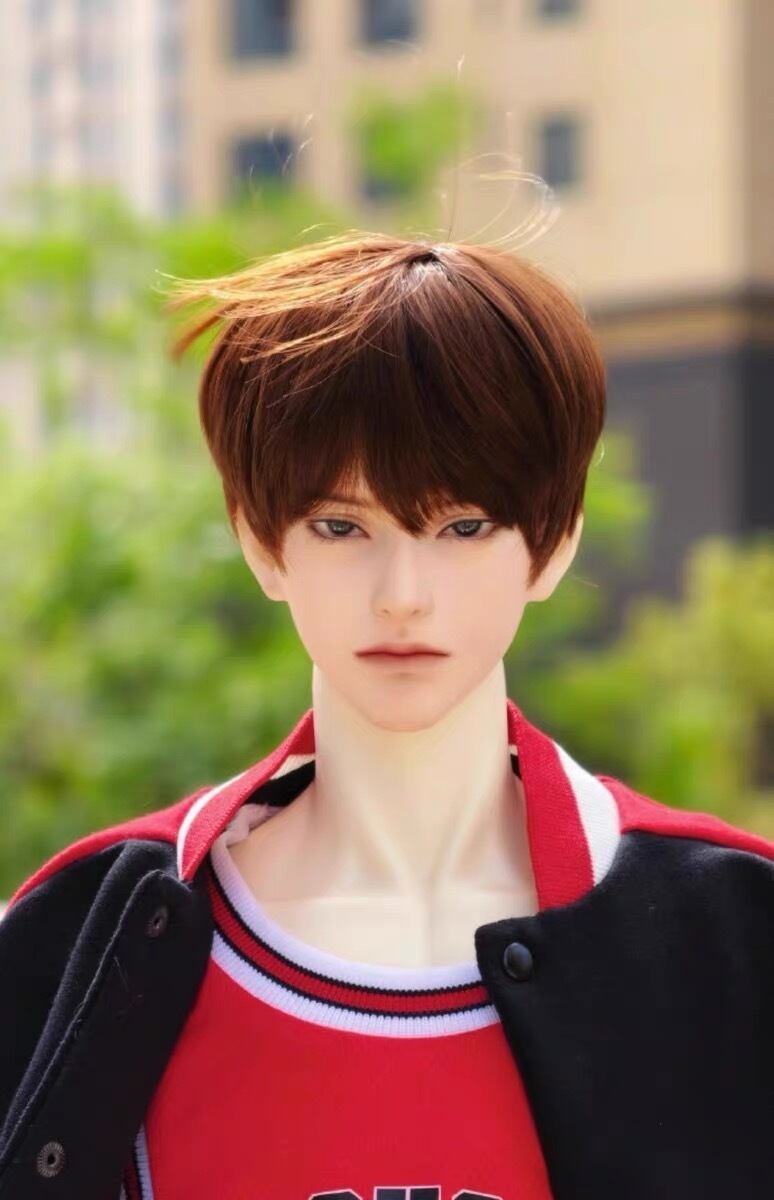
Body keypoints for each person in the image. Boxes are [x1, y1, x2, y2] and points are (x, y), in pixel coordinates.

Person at [1, 233, 772, 1200]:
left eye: (463, 526)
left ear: (555, 540)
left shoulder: (733, 937)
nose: (402, 595)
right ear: (260, 540)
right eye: (341, 526)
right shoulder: (78, 942)